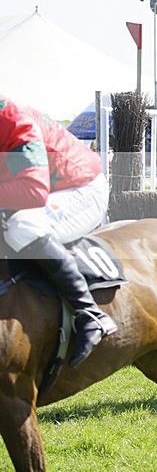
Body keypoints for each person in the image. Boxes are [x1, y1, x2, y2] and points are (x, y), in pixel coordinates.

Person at [0, 94, 116, 366]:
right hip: (42, 189)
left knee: (22, 228)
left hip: (80, 189)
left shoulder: (13, 120)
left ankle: (90, 314)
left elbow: (33, 191)